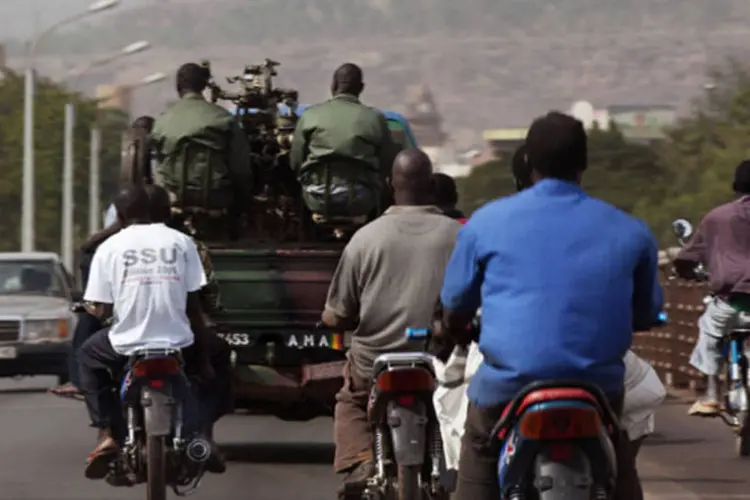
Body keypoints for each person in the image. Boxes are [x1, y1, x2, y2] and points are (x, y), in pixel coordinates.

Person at [439, 112, 664, 500]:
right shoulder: (630, 230)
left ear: (527, 162)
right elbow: (646, 312)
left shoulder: (485, 223)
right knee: (620, 464)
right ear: (584, 164)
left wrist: (456, 328)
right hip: (598, 387)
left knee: (478, 444)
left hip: (506, 387)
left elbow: (456, 301)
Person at [322, 149, 461, 497]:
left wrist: (332, 319)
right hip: (442, 361)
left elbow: (338, 314)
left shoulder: (365, 238)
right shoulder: (459, 237)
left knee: (350, 401)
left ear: (389, 185)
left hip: (375, 361)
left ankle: (361, 461)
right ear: (431, 184)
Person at [77, 184, 218, 480]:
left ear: (121, 215)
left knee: (88, 356)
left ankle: (106, 433)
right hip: (179, 339)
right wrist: (204, 361)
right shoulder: (182, 242)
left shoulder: (109, 247)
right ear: (165, 211)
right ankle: (204, 436)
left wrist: (97, 310)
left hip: (125, 343)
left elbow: (100, 308)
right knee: (221, 360)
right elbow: (194, 304)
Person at [674, 160, 750, 416]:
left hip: (731, 300)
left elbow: (686, 258)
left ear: (736, 187)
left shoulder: (716, 218)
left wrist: (686, 273)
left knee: (709, 331)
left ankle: (710, 394)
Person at [290, 63, 399, 220]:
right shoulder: (375, 119)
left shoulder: (310, 115)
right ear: (361, 88)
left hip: (316, 198)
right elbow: (388, 163)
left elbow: (296, 161)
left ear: (333, 85)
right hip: (362, 199)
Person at [151, 62, 253, 215]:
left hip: (173, 197)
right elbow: (241, 168)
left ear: (178, 87)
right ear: (204, 86)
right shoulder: (223, 118)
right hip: (218, 197)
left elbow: (157, 165)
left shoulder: (162, 122)